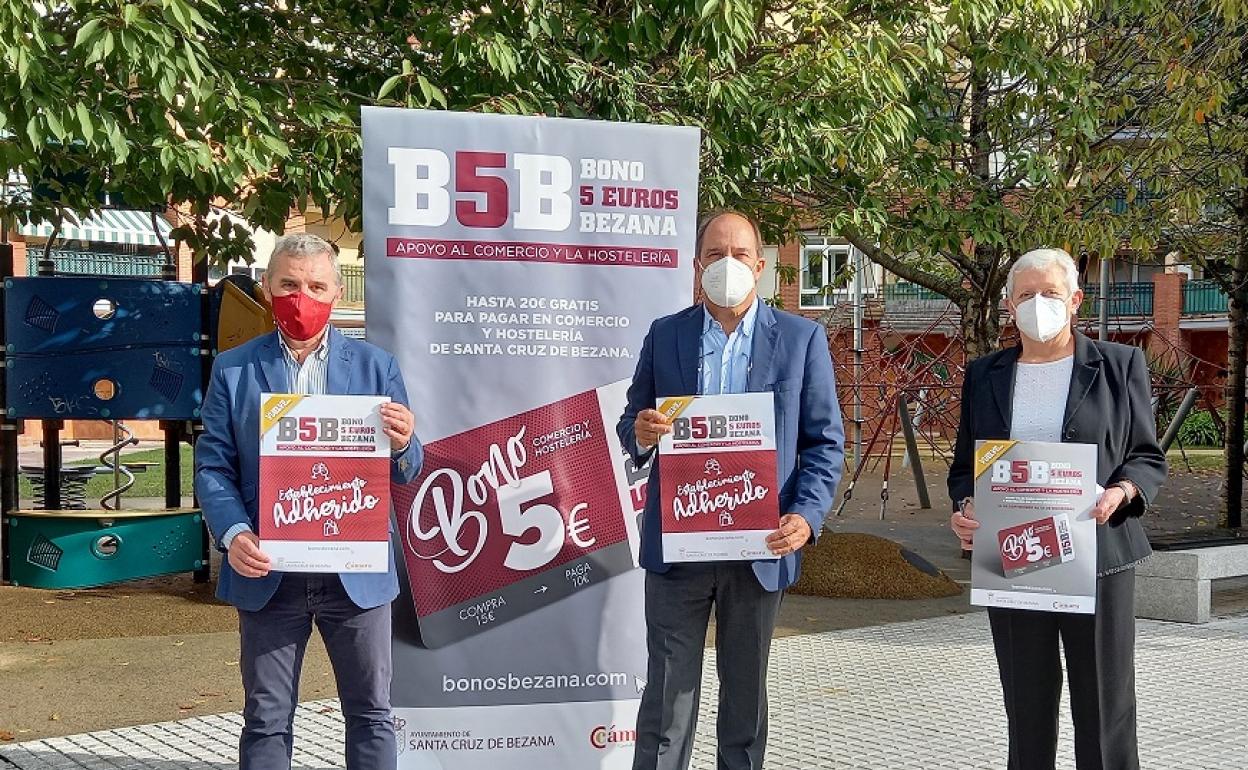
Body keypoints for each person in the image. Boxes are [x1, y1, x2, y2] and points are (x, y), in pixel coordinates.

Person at [618, 210, 845, 770]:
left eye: (739, 255)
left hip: (759, 547)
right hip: (680, 550)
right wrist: (642, 432)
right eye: (715, 255)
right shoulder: (665, 334)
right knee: (666, 703)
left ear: (760, 266)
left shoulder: (801, 339)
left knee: (744, 706)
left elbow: (824, 443)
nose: (728, 265)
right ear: (697, 267)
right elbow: (632, 423)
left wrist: (807, 516)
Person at [196, 233, 422, 770]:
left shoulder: (376, 367)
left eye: (316, 286)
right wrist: (233, 534)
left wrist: (405, 441)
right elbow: (212, 467)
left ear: (337, 291)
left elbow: (409, 468)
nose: (303, 297)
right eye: (289, 285)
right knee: (266, 719)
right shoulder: (233, 370)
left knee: (371, 714)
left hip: (357, 577)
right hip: (269, 573)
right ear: (269, 288)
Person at [948, 247, 1167, 770]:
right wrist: (964, 508)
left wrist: (1123, 492)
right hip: (1014, 558)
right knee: (1026, 706)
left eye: (1049, 293)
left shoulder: (1118, 364)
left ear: (1074, 300)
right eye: (1026, 295)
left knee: (1104, 706)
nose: (1038, 304)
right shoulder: (985, 373)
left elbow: (1146, 457)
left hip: (1097, 556)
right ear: (1009, 305)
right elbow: (965, 465)